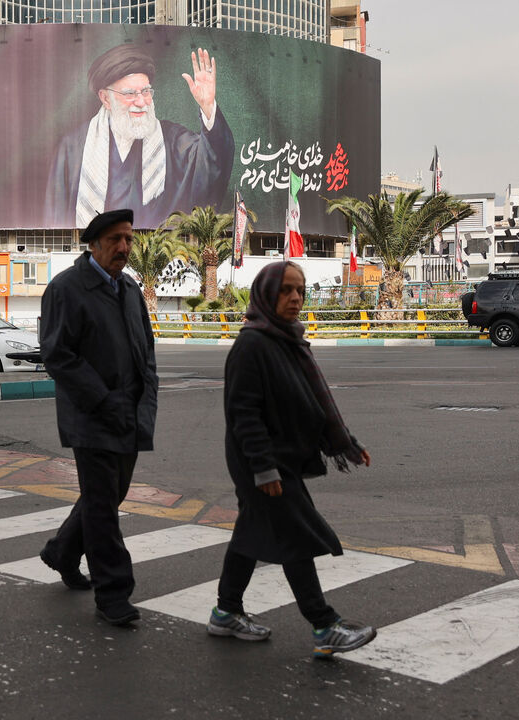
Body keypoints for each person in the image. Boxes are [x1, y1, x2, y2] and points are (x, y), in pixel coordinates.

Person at [208, 261, 376, 658]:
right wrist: (263, 467)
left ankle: (226, 611)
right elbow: (243, 414)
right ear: (266, 295)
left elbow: (309, 402)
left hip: (280, 457)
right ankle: (323, 625)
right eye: (285, 290)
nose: (295, 298)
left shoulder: (286, 340)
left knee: (252, 531)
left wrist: (344, 441)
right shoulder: (252, 345)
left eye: (300, 290)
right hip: (263, 461)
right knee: (295, 535)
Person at [36, 208, 159, 627]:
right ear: (94, 244)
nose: (124, 247)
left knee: (105, 496)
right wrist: (104, 400)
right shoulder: (66, 289)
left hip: (129, 415)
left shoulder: (129, 290)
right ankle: (113, 594)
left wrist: (146, 400)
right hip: (91, 418)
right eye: (115, 240)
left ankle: (62, 552)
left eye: (128, 239)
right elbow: (58, 354)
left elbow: (147, 351)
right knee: (104, 507)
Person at [45, 45, 235, 230]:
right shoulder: (73, 149)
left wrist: (208, 107)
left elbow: (212, 160)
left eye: (146, 91)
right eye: (130, 94)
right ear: (105, 98)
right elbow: (56, 220)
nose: (141, 102)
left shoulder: (173, 141)